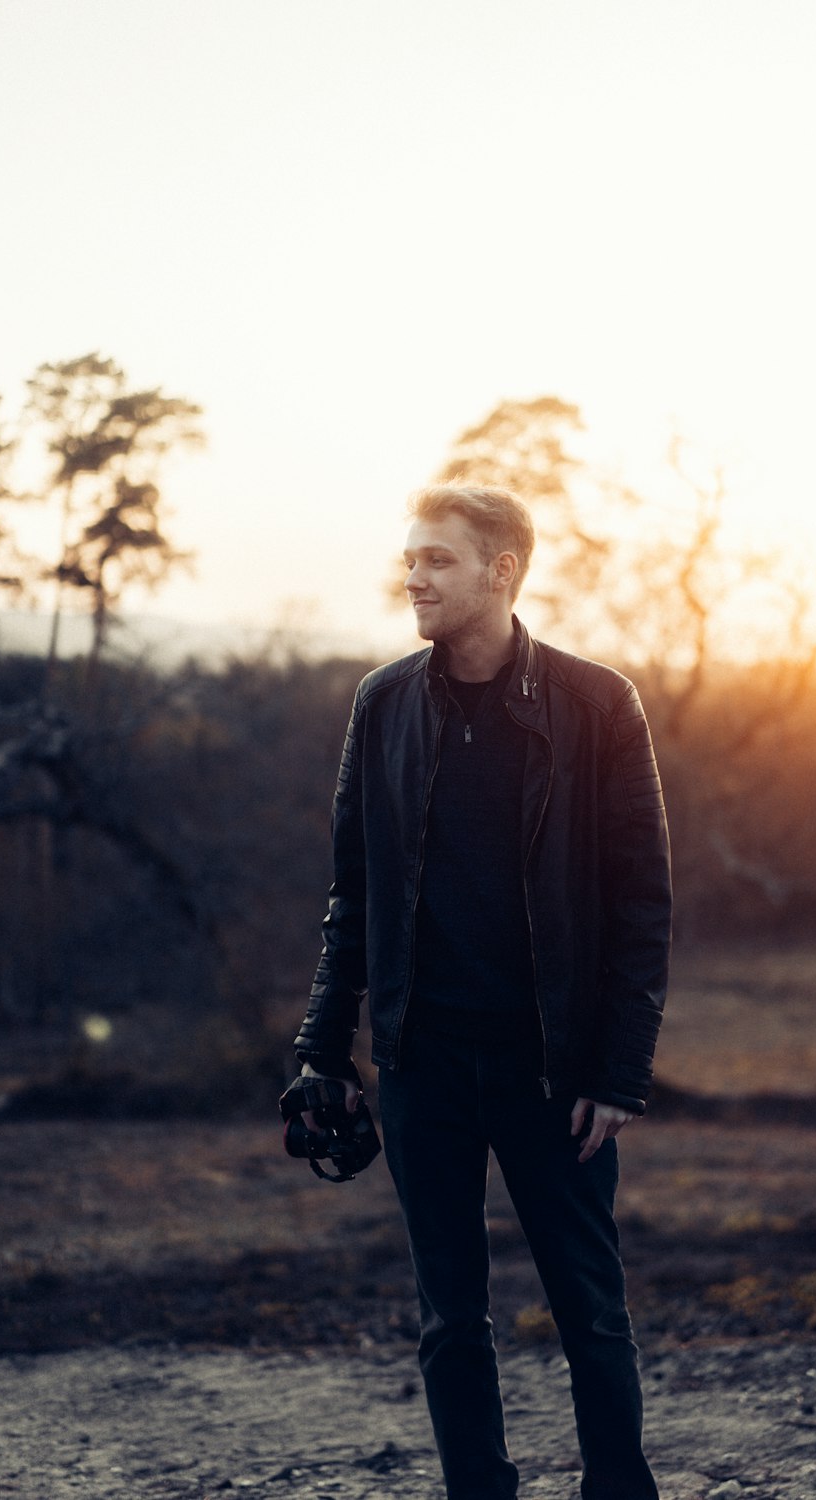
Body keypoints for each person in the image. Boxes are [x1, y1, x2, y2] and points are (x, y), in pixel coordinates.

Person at [293, 484, 672, 1500]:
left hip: (554, 1072)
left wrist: (620, 1070)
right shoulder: (381, 705)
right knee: (449, 1320)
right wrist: (322, 1050)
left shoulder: (598, 706)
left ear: (500, 573)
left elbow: (643, 904)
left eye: (437, 560)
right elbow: (355, 893)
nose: (412, 576)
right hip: (424, 1067)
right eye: (409, 558)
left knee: (590, 1308)